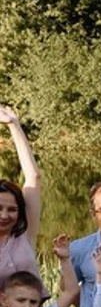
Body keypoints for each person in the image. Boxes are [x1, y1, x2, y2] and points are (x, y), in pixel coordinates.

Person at [0, 105, 42, 289]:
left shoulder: (25, 236)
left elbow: (33, 177)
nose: (4, 215)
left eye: (12, 209)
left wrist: (14, 125)